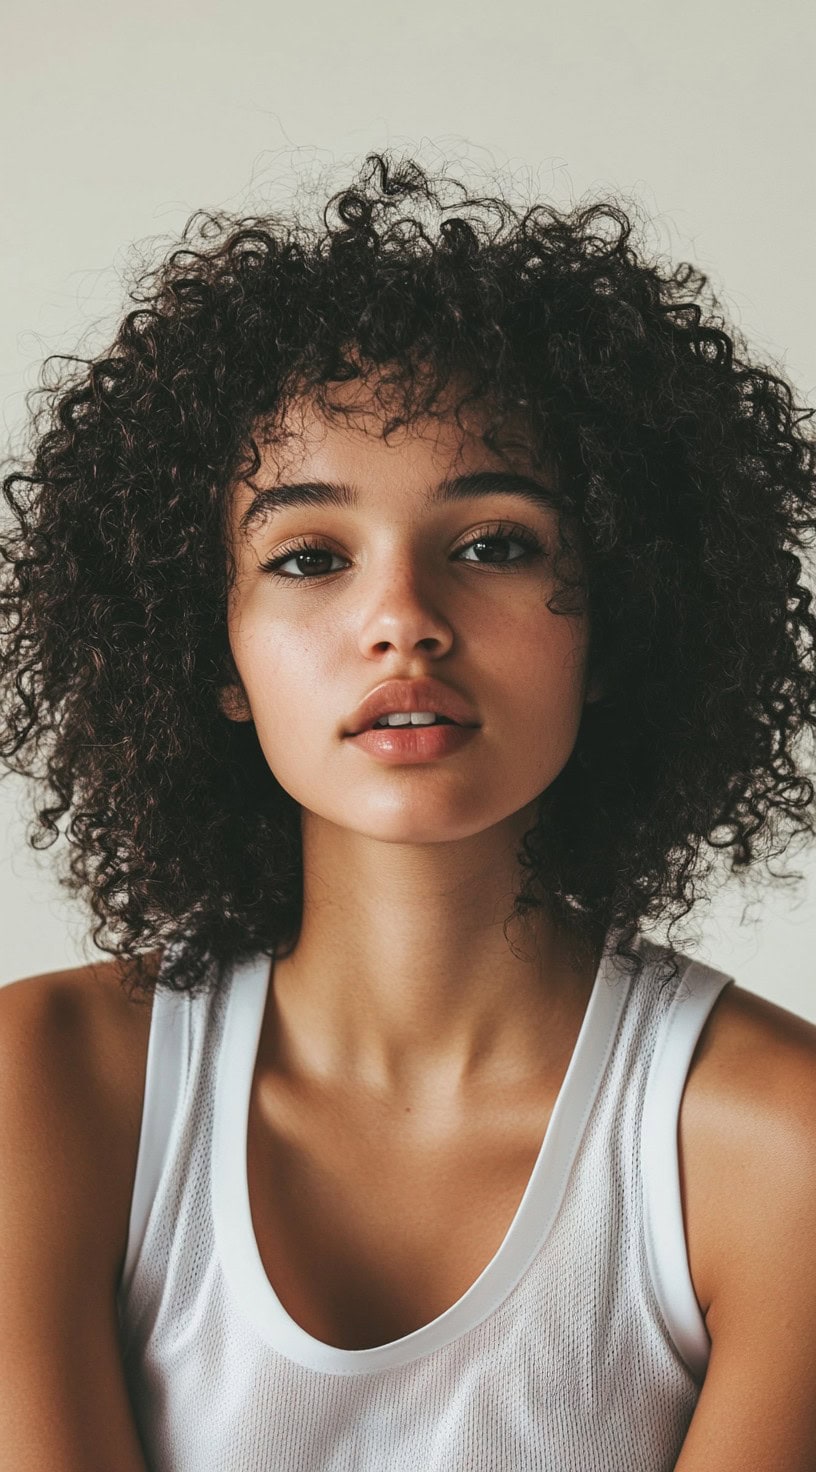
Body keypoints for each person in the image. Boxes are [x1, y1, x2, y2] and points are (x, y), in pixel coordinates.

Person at [1, 151, 816, 1471]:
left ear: (619, 626)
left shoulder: (781, 1150)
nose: (404, 625)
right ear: (208, 653)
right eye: (310, 557)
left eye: (495, 543)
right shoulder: (44, 1088)